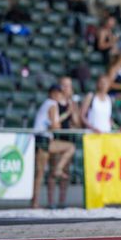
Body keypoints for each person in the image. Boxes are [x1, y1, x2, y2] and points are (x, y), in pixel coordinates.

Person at [31, 85, 76, 208]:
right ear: (53, 93)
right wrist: (66, 117)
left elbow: (53, 124)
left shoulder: (47, 103)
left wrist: (66, 114)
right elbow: (55, 126)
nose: (60, 95)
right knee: (39, 173)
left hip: (43, 138)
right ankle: (34, 203)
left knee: (70, 147)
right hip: (42, 138)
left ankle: (58, 169)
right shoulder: (52, 104)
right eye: (58, 93)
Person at [47, 76, 81, 209]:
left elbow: (77, 123)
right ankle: (50, 201)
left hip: (68, 138)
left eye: (69, 86)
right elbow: (54, 123)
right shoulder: (54, 102)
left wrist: (74, 111)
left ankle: (62, 201)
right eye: (65, 85)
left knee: (64, 172)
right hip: (56, 138)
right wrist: (67, 113)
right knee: (54, 170)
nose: (67, 88)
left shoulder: (72, 103)